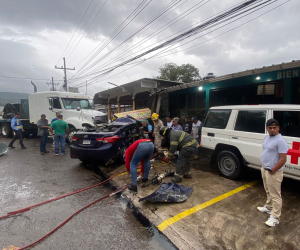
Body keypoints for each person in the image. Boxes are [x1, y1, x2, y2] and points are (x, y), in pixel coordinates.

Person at [257, 118, 289, 227]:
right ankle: (268, 207)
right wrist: (263, 164)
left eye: (274, 127)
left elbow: (283, 159)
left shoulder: (281, 141)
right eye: (270, 128)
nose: (272, 129)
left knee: (275, 195)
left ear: (278, 128)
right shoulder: (267, 138)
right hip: (265, 169)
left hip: (273, 172)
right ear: (267, 129)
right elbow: (266, 151)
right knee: (267, 190)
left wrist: (273, 170)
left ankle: (275, 217)